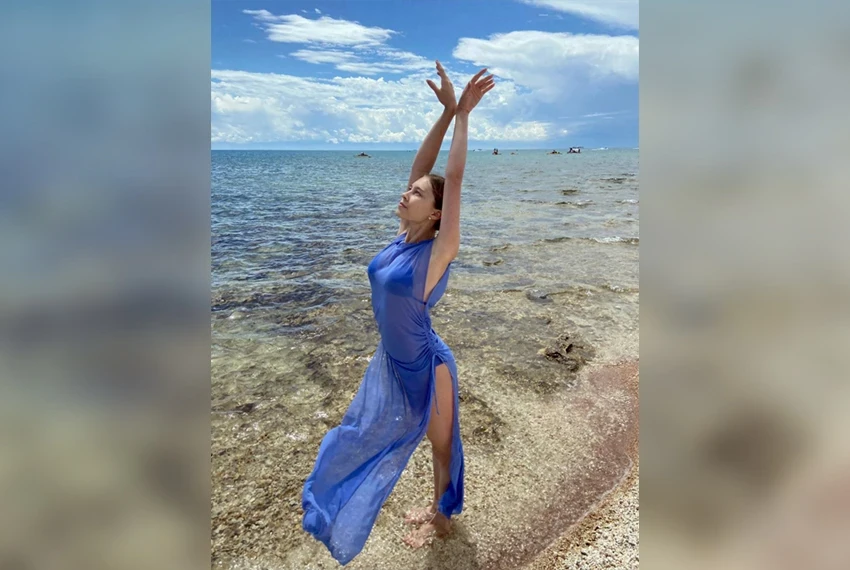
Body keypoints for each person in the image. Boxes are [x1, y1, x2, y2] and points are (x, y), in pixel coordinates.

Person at [301, 61, 495, 564]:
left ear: (437, 213)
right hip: (392, 362)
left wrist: (464, 116)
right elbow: (424, 165)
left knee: (441, 446)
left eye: (417, 193)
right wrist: (445, 112)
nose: (406, 192)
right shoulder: (403, 239)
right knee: (360, 437)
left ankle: (442, 518)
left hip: (426, 368)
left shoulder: (438, 250)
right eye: (410, 189)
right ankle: (433, 508)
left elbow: (452, 177)